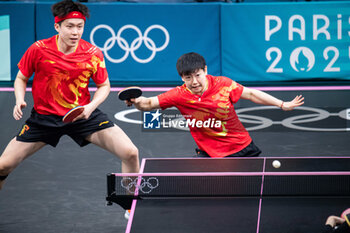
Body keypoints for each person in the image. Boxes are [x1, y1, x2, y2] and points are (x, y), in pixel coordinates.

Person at [0, 0, 139, 190]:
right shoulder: (39, 49)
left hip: (81, 115)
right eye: (69, 26)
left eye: (80, 26)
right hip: (44, 119)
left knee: (131, 152)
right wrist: (19, 99)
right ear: (57, 26)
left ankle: (131, 205)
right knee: (3, 166)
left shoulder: (93, 53)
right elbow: (21, 78)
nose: (75, 32)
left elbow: (104, 85)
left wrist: (90, 107)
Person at [127, 52, 304, 158]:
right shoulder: (179, 95)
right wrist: (136, 101)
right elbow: (148, 104)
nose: (194, 81)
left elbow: (250, 94)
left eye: (197, 75)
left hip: (241, 149)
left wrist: (281, 104)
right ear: (182, 77)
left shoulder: (223, 84)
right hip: (209, 154)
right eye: (188, 77)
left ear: (205, 70)